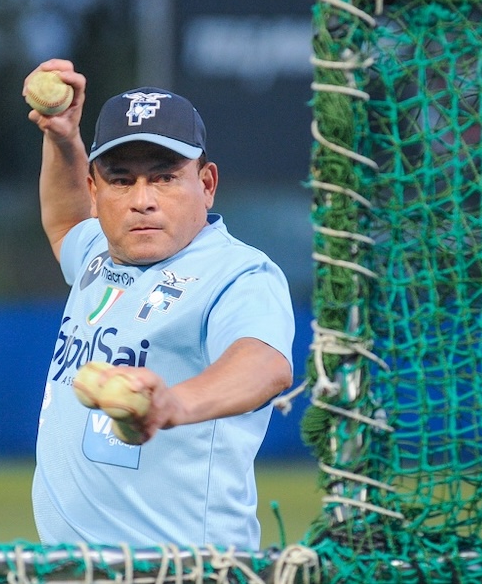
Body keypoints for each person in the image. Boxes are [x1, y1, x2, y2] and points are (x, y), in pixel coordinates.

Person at [24, 59, 295, 549]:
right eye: (122, 180)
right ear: (95, 189)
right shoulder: (99, 252)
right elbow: (66, 223)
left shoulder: (239, 273)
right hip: (71, 569)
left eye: (165, 177)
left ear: (206, 184)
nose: (141, 199)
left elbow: (265, 365)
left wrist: (175, 402)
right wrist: (63, 139)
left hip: (187, 568)